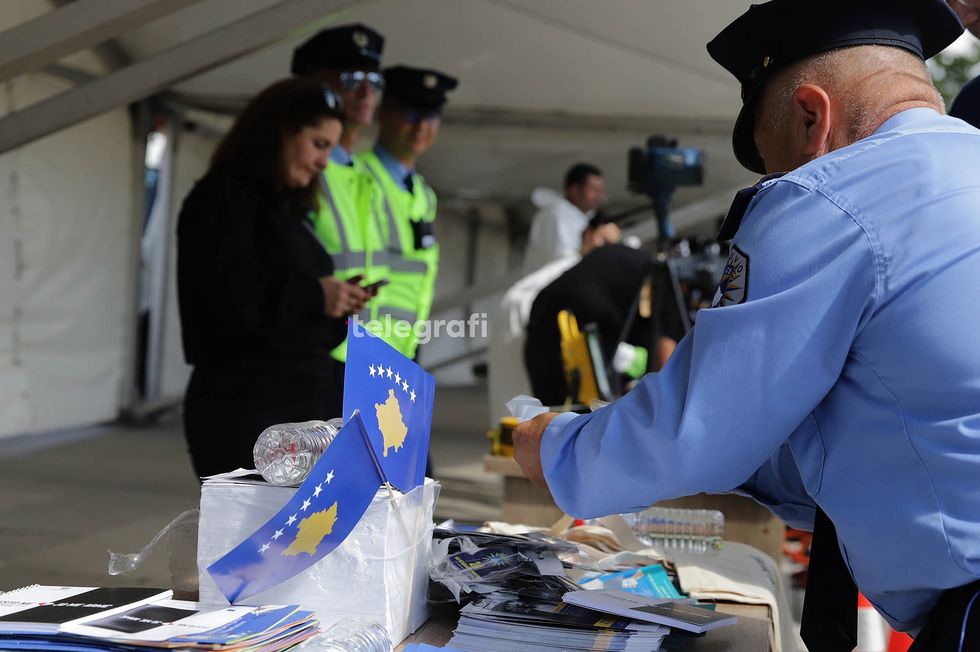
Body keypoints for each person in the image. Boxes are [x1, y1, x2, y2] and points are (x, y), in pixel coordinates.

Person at [512, 1, 980, 649]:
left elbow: (692, 432)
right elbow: (889, 426)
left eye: (776, 161)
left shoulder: (832, 195)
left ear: (813, 117)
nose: (784, 182)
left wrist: (554, 447)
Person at [177, 78, 371, 479]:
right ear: (279, 133)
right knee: (256, 535)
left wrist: (336, 303)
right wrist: (316, 296)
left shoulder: (285, 213)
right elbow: (231, 304)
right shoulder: (223, 200)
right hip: (248, 406)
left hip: (297, 403)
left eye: (331, 150)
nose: (323, 162)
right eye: (318, 145)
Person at [292, 24, 389, 371]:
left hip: (362, 356)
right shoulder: (300, 172)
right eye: (350, 78)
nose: (365, 92)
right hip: (310, 355)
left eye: (374, 81)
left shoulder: (365, 178)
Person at [357, 65, 458, 360]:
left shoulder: (424, 194)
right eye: (411, 115)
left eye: (431, 117)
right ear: (383, 113)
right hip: (361, 348)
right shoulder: (360, 177)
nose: (421, 127)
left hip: (404, 346)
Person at [524, 242, 683, 407]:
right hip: (562, 330)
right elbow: (663, 386)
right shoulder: (672, 291)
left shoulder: (656, 271)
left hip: (549, 313)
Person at [524, 163, 606, 271]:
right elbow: (563, 261)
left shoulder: (587, 216)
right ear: (574, 190)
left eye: (600, 190)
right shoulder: (556, 214)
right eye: (593, 189)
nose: (599, 196)